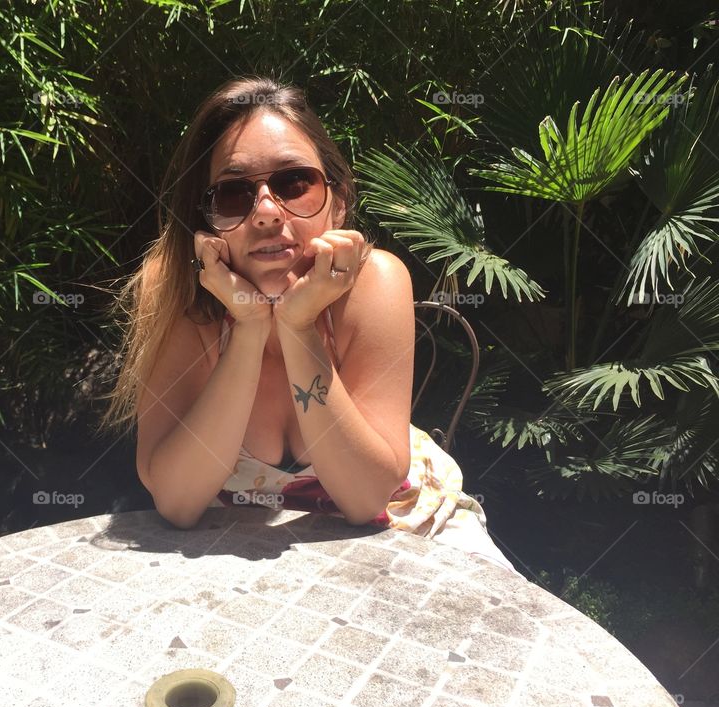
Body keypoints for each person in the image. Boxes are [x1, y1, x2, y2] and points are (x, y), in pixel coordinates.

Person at [97, 75, 518, 576]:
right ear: (206, 222)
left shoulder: (375, 282)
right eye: (234, 194)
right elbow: (178, 503)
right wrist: (250, 326)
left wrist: (297, 327)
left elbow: (364, 500)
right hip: (239, 553)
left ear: (338, 201)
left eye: (295, 183)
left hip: (406, 528)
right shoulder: (177, 295)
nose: (268, 212)